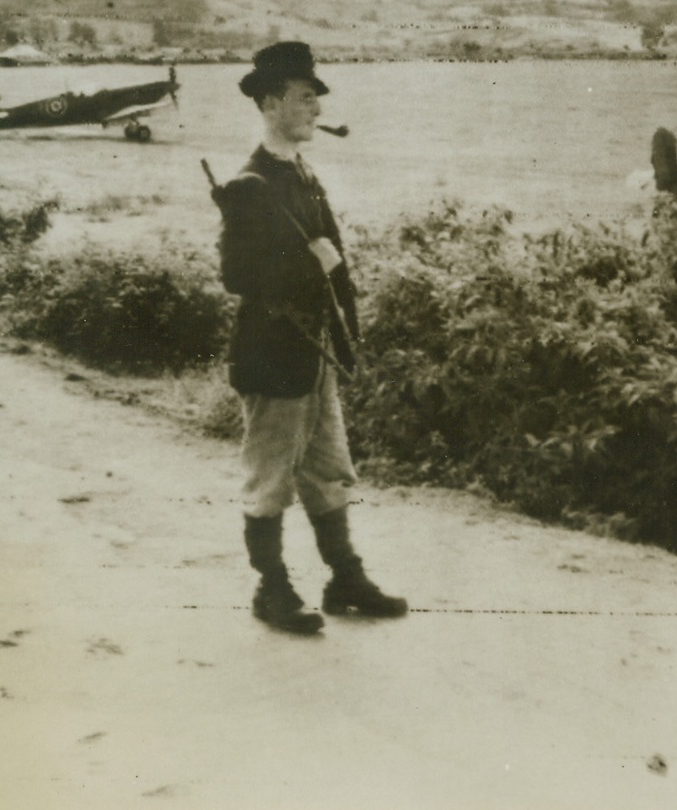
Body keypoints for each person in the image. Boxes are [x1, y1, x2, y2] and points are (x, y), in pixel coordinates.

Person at [211, 41, 407, 635]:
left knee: (326, 468)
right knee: (269, 476)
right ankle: (271, 591)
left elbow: (332, 263)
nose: (315, 108)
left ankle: (344, 579)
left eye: (316, 98)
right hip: (272, 352)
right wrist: (309, 263)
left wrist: (346, 329)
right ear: (270, 103)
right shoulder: (250, 183)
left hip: (312, 349)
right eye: (303, 98)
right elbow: (236, 277)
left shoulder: (300, 173)